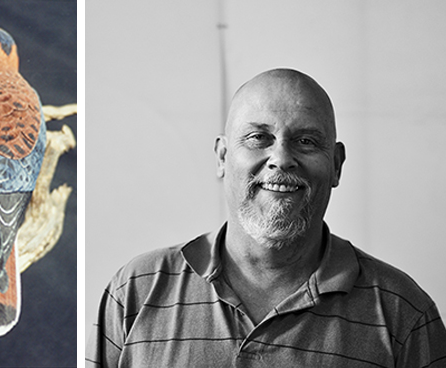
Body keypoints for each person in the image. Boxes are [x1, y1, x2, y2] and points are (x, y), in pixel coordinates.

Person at [86, 68, 446, 367]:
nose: (281, 159)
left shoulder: (404, 313)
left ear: (336, 165)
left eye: (306, 141)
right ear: (223, 157)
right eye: (259, 137)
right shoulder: (136, 291)